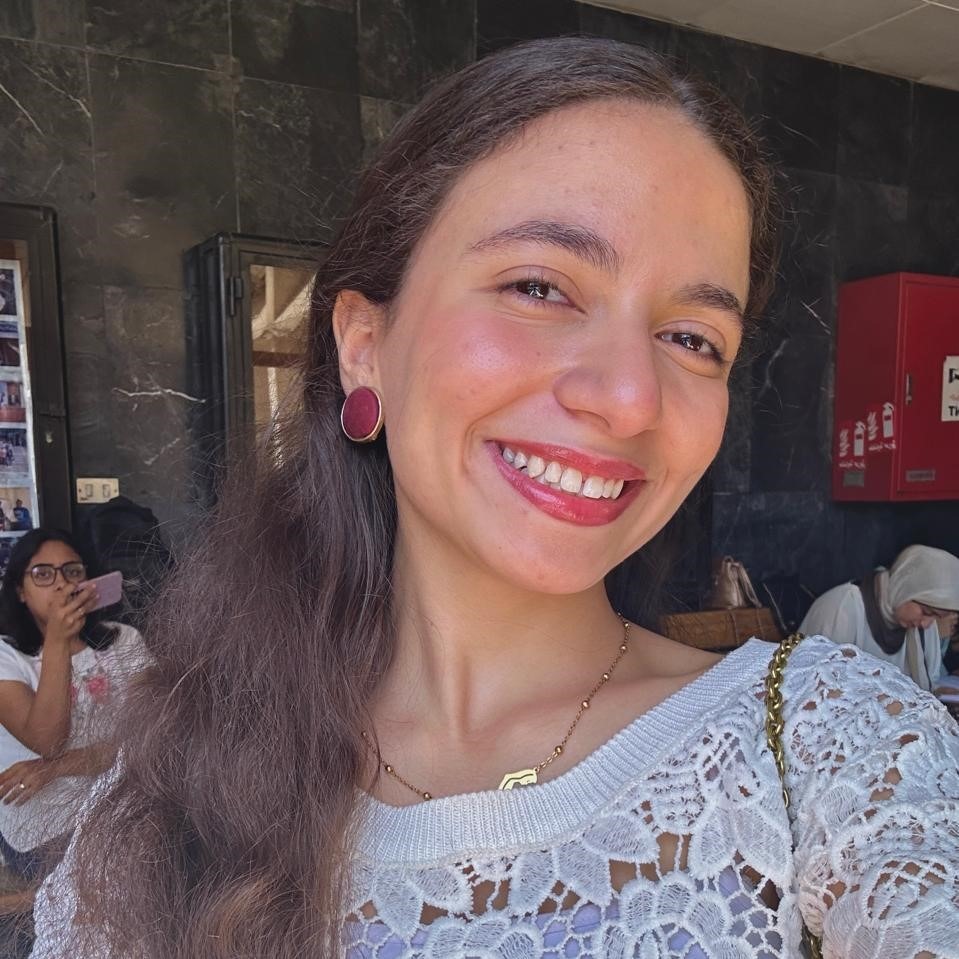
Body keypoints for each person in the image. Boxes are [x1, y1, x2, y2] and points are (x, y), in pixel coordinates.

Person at [31, 38, 959, 959]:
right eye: (539, 287)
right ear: (363, 344)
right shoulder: (179, 786)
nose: (629, 398)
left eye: (691, 337)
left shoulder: (832, 751)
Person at [0, 530, 148, 886]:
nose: (62, 584)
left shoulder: (123, 639)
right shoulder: (7, 656)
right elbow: (47, 741)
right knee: (114, 879)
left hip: (123, 804)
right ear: (20, 590)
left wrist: (58, 767)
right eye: (42, 574)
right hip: (44, 825)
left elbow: (151, 736)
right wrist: (57, 641)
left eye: (73, 571)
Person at [800, 544, 959, 691]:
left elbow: (926, 687)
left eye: (936, 616)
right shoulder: (842, 608)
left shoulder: (921, 628)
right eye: (926, 611)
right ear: (905, 588)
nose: (926, 624)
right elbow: (817, 689)